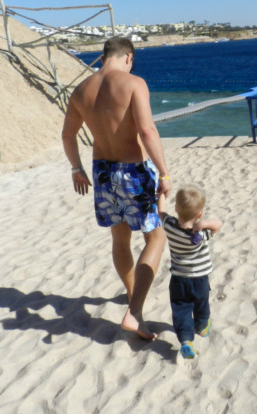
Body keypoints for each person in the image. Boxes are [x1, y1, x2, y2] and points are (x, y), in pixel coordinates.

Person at [61, 36, 171, 340]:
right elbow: (147, 130)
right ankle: (134, 312)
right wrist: (164, 172)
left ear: (103, 57)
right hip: (133, 171)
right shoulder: (134, 83)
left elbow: (68, 135)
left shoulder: (81, 90)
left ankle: (134, 295)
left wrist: (76, 169)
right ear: (128, 57)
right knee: (156, 238)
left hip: (103, 172)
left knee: (120, 240)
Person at [158, 186, 223, 359]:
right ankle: (201, 327)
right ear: (199, 214)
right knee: (201, 304)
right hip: (200, 280)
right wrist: (203, 224)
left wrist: (161, 195)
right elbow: (218, 225)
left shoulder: (170, 226)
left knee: (181, 309)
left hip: (179, 279)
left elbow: (161, 212)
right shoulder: (199, 235)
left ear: (176, 208)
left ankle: (186, 341)